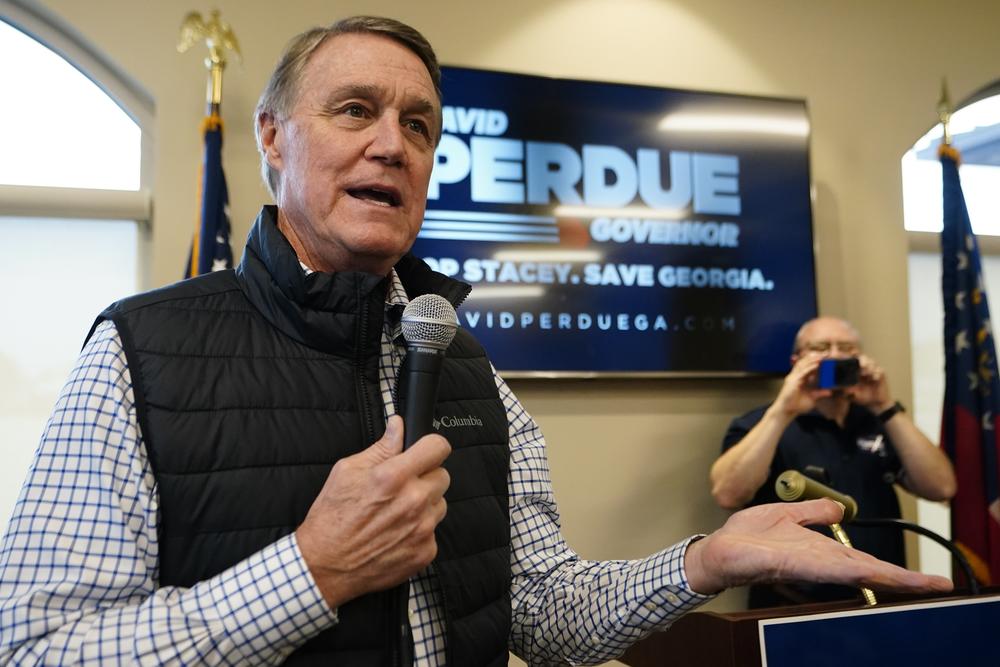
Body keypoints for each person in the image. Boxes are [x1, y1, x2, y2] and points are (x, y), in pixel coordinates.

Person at [0, 16, 950, 666]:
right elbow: (36, 647)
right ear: (272, 138)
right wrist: (309, 573)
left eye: (419, 124)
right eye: (354, 110)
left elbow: (547, 612)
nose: (393, 144)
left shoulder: (463, 363)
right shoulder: (140, 352)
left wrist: (707, 561)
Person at [710, 316, 957, 608]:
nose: (835, 356)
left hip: (880, 598)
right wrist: (783, 411)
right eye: (820, 347)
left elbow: (941, 487)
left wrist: (884, 406)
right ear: (796, 360)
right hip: (793, 605)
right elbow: (728, 493)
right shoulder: (761, 424)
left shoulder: (878, 422)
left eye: (846, 348)